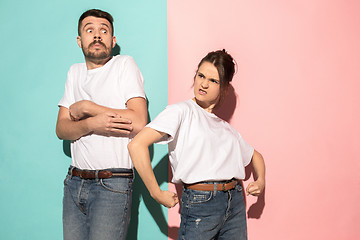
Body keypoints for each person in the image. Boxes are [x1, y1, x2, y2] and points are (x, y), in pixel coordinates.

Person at [128, 50, 265, 239]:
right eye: (201, 75)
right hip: (201, 203)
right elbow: (137, 145)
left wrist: (260, 180)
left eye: (213, 80)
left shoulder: (226, 129)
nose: (204, 83)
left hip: (235, 202)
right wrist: (156, 192)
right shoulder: (181, 112)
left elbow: (256, 156)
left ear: (224, 88)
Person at [56, 9, 147, 240]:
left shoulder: (124, 65)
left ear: (113, 41)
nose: (97, 35)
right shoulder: (74, 72)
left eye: (103, 31)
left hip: (112, 184)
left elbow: (138, 121)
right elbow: (61, 129)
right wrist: (92, 125)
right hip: (74, 182)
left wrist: (88, 108)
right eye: (90, 30)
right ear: (80, 40)